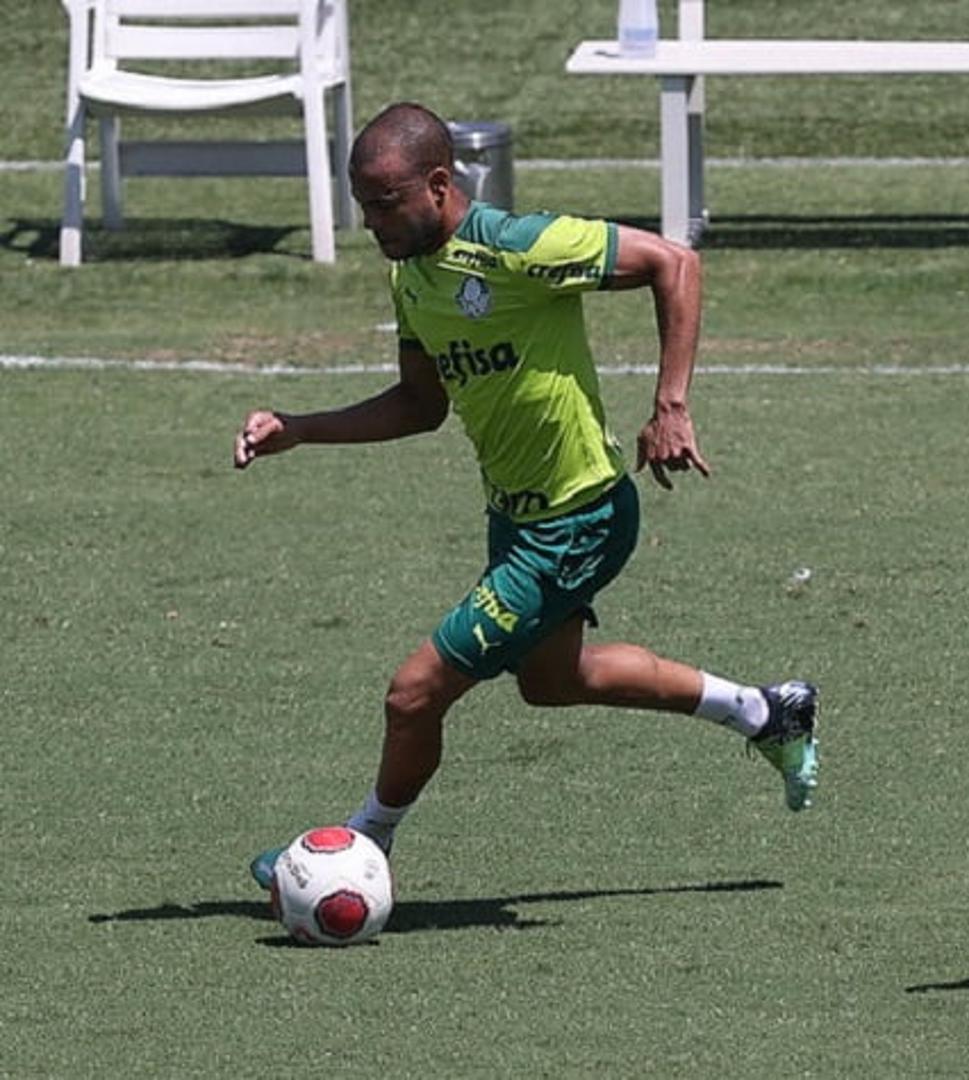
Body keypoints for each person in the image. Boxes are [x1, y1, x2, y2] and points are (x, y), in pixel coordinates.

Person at [234, 103, 818, 886]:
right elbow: (420, 404)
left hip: (579, 520)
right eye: (361, 206)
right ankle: (766, 712)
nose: (369, 223)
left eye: (383, 204)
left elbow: (675, 263)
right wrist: (301, 429)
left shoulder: (517, 246)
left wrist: (670, 405)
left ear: (438, 185)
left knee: (413, 696)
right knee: (552, 682)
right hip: (515, 521)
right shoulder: (411, 278)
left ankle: (362, 845)